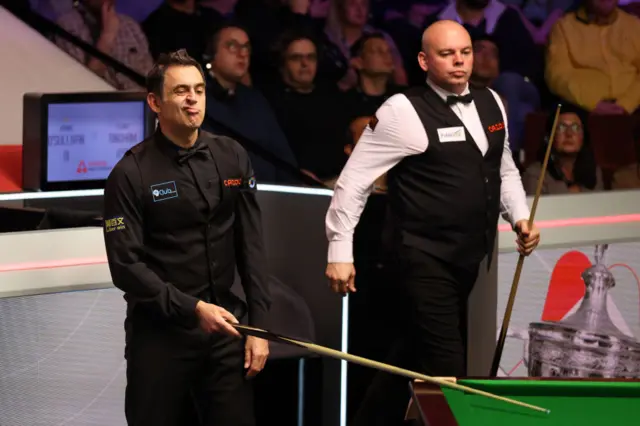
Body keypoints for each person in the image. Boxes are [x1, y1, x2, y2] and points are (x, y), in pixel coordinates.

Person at [324, 20, 540, 426]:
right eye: (447, 54)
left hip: (467, 257)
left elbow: (504, 167)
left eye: (465, 52)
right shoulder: (402, 111)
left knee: (410, 354)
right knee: (445, 367)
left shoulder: (493, 101)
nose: (459, 61)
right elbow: (353, 182)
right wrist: (340, 250)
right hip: (420, 256)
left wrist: (520, 217)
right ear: (424, 60)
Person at [103, 49, 271, 426]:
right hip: (161, 337)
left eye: (198, 89)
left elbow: (252, 247)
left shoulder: (232, 156)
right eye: (180, 91)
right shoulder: (130, 172)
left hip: (227, 328)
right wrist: (192, 308)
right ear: (154, 102)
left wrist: (259, 327)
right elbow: (126, 266)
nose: (193, 99)